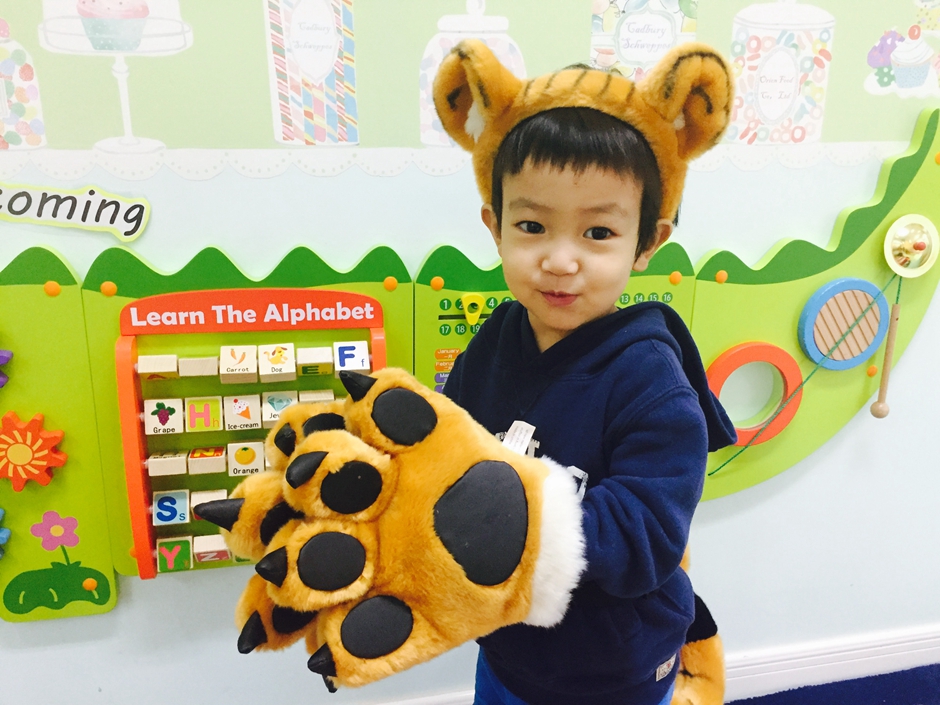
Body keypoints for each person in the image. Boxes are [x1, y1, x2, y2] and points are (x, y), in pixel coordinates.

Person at [435, 42, 738, 705]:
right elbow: (447, 436)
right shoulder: (496, 338)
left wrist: (508, 519)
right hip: (508, 649)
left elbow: (647, 537)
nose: (561, 260)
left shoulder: (652, 380)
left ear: (647, 241)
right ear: (495, 227)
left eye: (598, 233)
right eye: (532, 225)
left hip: (612, 670)